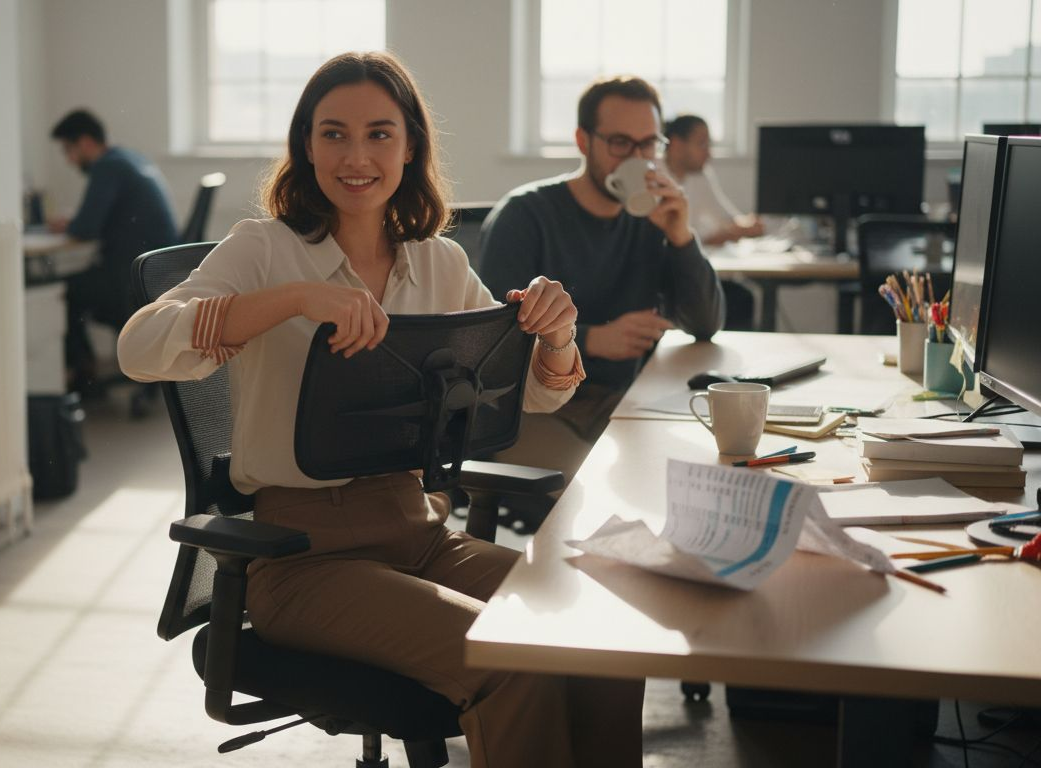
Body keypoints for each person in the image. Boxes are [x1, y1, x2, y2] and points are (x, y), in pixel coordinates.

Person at [119, 52, 644, 767]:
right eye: (333, 134)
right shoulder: (266, 250)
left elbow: (532, 392)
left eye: (379, 134)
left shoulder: (438, 264)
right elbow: (140, 346)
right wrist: (297, 298)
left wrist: (555, 333)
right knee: (512, 656)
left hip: (422, 536)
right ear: (307, 146)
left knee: (603, 626)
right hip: (303, 561)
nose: (356, 156)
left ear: (410, 147)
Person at [478, 76, 724, 485]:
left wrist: (681, 236)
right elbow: (492, 344)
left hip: (630, 400)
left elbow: (704, 324)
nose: (638, 158)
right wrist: (593, 340)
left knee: (709, 476)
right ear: (582, 140)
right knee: (617, 490)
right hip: (540, 411)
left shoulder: (650, 220)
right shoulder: (525, 217)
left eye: (648, 144)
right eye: (620, 143)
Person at [49, 109, 179, 394]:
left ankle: (82, 377)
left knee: (64, 292)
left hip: (130, 279)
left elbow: (86, 228)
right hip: (157, 272)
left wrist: (66, 224)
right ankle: (85, 372)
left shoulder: (107, 167)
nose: (69, 160)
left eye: (68, 150)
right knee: (78, 284)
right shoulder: (130, 159)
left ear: (84, 142)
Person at [663, 114, 764, 246]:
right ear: (676, 144)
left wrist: (750, 225)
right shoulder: (652, 176)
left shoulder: (701, 175)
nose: (709, 153)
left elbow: (725, 217)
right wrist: (716, 237)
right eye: (702, 144)